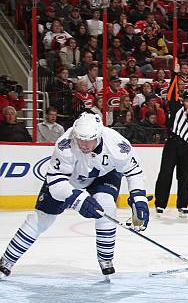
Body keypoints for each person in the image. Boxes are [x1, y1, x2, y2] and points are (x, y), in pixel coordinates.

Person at [0, 112, 149, 278]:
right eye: (80, 139)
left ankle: (106, 260)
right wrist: (79, 200)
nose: (83, 144)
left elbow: (134, 171)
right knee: (42, 218)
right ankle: (7, 260)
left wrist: (139, 200)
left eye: (88, 140)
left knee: (106, 206)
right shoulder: (65, 145)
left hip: (103, 175)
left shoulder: (118, 145)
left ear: (99, 135)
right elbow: (56, 183)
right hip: (69, 179)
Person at [154, 63, 188, 218]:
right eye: (186, 101)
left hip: (186, 147)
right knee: (165, 173)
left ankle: (183, 205)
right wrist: (175, 75)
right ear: (183, 101)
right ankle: (160, 204)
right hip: (172, 143)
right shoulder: (176, 108)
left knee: (185, 176)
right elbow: (171, 93)